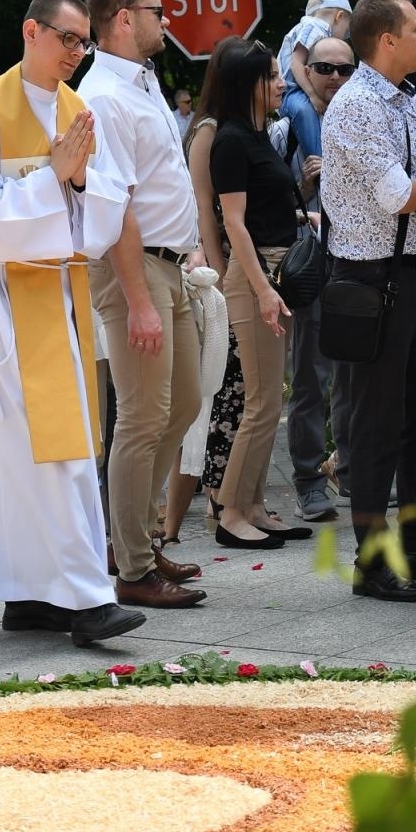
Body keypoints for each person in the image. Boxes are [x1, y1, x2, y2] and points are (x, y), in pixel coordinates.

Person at [0, 0, 145, 646]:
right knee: (49, 455)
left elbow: (106, 209)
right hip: (4, 301)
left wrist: (78, 181)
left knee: (57, 449)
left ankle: (29, 597)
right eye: (69, 40)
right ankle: (84, 600)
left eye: (85, 43)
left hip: (63, 294)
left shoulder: (78, 110)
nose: (78, 55)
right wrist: (51, 177)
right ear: (32, 31)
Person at [320, 0, 416, 603]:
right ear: (387, 40)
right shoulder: (355, 106)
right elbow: (400, 194)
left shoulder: (400, 99)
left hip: (407, 275)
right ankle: (371, 563)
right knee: (375, 425)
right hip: (369, 279)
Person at [78, 0, 205, 609]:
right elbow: (116, 206)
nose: (166, 19)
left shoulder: (143, 81)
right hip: (136, 270)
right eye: (156, 9)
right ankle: (130, 564)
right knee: (142, 415)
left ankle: (136, 536)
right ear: (124, 18)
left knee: (181, 405)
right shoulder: (103, 94)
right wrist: (138, 300)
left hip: (166, 264)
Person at [207, 38, 312, 550]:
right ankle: (229, 511)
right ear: (249, 83)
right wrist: (264, 291)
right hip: (256, 279)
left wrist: (301, 216)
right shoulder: (230, 140)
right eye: (273, 76)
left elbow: (263, 211)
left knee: (271, 399)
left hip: (272, 274)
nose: (282, 83)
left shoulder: (255, 136)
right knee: (261, 400)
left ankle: (251, 505)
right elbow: (233, 223)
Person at [170, 40, 250, 542]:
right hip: (217, 276)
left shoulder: (240, 130)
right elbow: (204, 208)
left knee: (234, 396)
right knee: (214, 398)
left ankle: (224, 496)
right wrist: (223, 273)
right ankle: (202, 505)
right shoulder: (207, 131)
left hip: (235, 270)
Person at [286, 34, 358, 521]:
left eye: (344, 70)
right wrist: (305, 187)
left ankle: (350, 469)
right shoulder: (287, 128)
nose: (334, 78)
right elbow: (264, 206)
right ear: (307, 72)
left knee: (356, 375)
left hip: (360, 263)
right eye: (324, 68)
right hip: (314, 264)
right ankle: (309, 478)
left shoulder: (367, 120)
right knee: (311, 377)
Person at [277, 0, 353, 160]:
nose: (344, 36)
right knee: (305, 110)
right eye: (346, 30)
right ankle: (320, 162)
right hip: (292, 91)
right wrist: (312, 95)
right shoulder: (316, 27)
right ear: (338, 16)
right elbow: (296, 64)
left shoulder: (312, 27)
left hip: (298, 89)